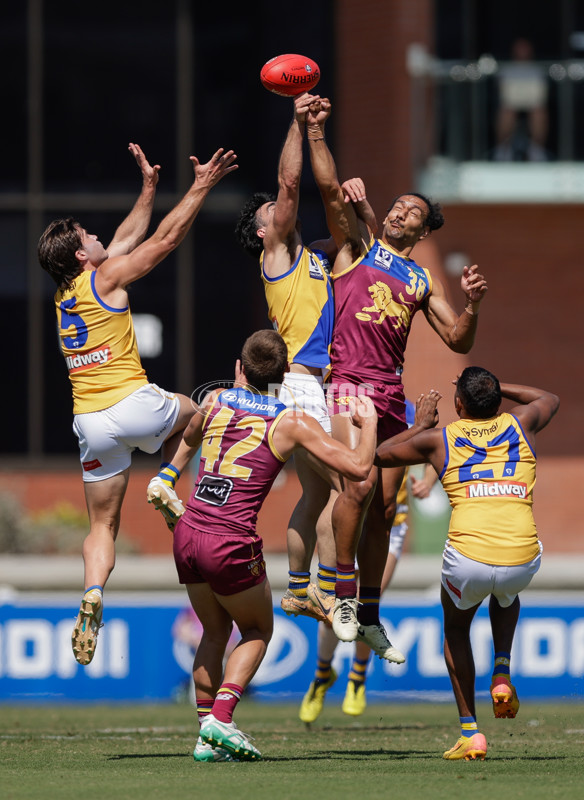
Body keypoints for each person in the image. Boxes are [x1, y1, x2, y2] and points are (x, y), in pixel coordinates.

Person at [38, 144, 238, 666]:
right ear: (82, 255)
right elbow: (164, 241)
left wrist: (149, 188)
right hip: (133, 401)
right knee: (204, 412)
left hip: (91, 421)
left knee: (101, 527)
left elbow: (126, 238)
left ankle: (93, 592)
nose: (101, 237)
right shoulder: (105, 277)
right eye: (90, 236)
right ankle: (168, 478)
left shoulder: (66, 294)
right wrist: (200, 187)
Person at [303, 95, 488, 656]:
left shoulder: (419, 277)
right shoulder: (357, 248)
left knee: (384, 507)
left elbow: (457, 338)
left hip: (390, 394)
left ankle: (369, 613)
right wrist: (315, 131)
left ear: (424, 225)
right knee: (356, 487)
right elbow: (331, 192)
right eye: (398, 204)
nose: (401, 209)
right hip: (348, 386)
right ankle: (335, 596)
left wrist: (475, 304)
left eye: (413, 209)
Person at [174, 329, 376, 762]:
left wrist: (165, 477)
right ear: (286, 376)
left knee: (213, 630)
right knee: (257, 630)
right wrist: (369, 423)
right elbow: (358, 469)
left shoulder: (214, 401)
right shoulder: (291, 421)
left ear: (237, 369)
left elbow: (188, 435)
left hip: (187, 530)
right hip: (229, 540)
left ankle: (204, 736)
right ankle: (222, 719)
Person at [234, 93, 378, 627]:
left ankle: (298, 589)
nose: (281, 208)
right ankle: (338, 597)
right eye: (272, 211)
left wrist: (356, 203)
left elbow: (350, 235)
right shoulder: (276, 257)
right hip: (299, 386)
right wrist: (297, 123)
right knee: (349, 486)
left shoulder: (311, 258)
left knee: (318, 495)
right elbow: (292, 185)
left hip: (316, 386)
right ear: (261, 231)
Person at [374, 368, 560, 760]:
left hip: (468, 559)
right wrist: (495, 386)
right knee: (506, 593)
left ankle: (471, 733)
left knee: (456, 628)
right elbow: (549, 398)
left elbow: (379, 455)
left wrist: (420, 423)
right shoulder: (521, 423)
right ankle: (502, 672)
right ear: (497, 402)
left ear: (458, 404)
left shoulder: (438, 440)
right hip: (522, 556)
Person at [299, 403, 439, 723]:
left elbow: (436, 444)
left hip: (390, 524)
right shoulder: (343, 409)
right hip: (349, 519)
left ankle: (357, 679)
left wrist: (429, 479)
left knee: (366, 604)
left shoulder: (405, 408)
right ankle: (322, 676)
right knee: (334, 610)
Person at [493, 37, 549, 162]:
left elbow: (541, 91)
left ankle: (537, 149)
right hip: (510, 103)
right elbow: (501, 90)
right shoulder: (506, 69)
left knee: (539, 112)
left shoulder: (537, 69)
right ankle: (503, 149)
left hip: (534, 102)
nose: (522, 51)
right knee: (506, 112)